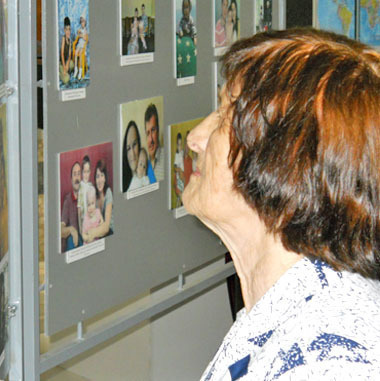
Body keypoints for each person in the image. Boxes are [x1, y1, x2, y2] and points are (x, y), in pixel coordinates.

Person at [183, 28, 380, 380]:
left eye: (225, 114)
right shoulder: (283, 309)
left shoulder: (330, 362)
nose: (195, 138)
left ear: (287, 162)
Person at [61, 162, 82, 251]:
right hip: (75, 245)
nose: (77, 178)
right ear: (71, 179)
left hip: (89, 242)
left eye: (79, 174)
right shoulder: (68, 201)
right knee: (70, 239)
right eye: (74, 174)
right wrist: (71, 230)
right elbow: (61, 230)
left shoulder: (89, 195)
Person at [144, 103, 163, 182]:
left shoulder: (166, 157)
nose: (150, 139)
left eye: (153, 130)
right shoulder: (143, 163)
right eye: (148, 133)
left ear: (158, 130)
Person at [122, 121, 141, 191]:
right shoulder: (122, 182)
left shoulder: (148, 169)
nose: (132, 153)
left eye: (134, 144)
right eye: (128, 148)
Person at [77, 155, 92, 231]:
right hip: (84, 222)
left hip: (91, 221)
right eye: (84, 172)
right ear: (82, 172)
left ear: (90, 172)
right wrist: (80, 227)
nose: (86, 175)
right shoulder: (80, 187)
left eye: (88, 171)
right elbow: (79, 209)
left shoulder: (91, 186)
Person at [73, 15, 88, 80]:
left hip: (83, 45)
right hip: (79, 44)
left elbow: (86, 38)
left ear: (85, 23)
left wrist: (81, 35)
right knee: (76, 53)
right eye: (81, 22)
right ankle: (76, 69)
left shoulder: (85, 30)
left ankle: (80, 70)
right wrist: (79, 34)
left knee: (81, 53)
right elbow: (78, 35)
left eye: (83, 22)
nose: (82, 23)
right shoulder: (80, 29)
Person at [59, 16, 73, 85]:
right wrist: (64, 66)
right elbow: (61, 53)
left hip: (65, 63)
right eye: (67, 29)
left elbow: (70, 55)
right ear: (64, 30)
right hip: (61, 63)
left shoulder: (70, 41)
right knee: (66, 80)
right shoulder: (63, 39)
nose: (68, 32)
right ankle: (60, 72)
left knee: (71, 64)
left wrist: (67, 64)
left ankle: (66, 71)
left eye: (69, 29)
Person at [173, 133, 185, 207]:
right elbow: (175, 168)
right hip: (179, 179)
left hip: (184, 177)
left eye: (181, 144)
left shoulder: (183, 153)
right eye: (178, 145)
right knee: (181, 195)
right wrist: (179, 170)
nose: (180, 147)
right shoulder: (177, 155)